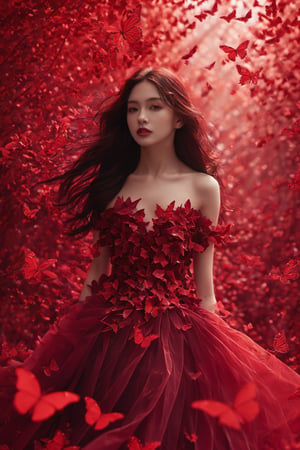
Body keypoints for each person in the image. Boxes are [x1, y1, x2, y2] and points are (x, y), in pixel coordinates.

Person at [0, 67, 299, 449]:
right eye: (133, 109)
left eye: (154, 107)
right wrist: (74, 347)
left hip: (179, 335)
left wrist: (218, 359)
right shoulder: (112, 183)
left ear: (177, 117)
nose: (141, 118)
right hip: (108, 334)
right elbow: (96, 272)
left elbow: (204, 285)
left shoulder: (203, 186)